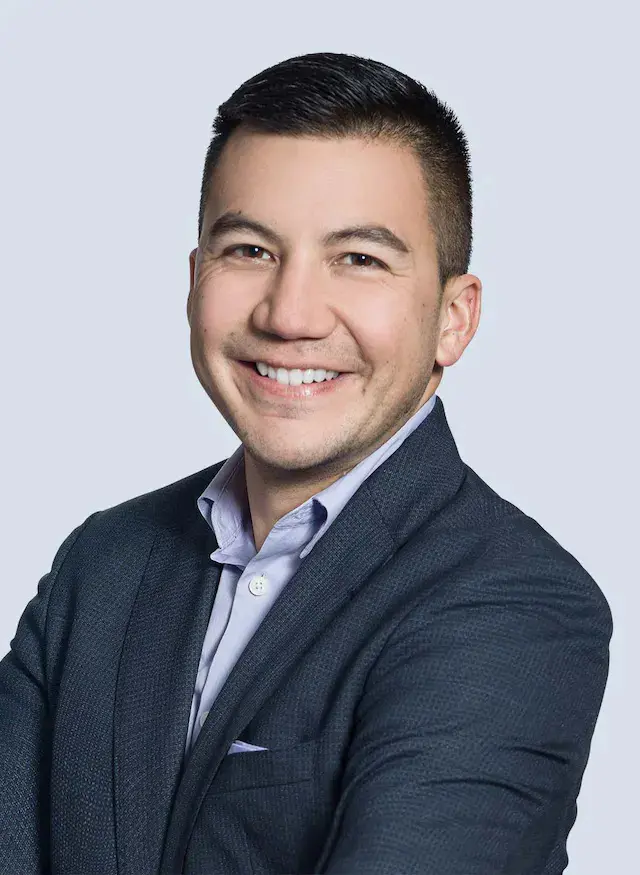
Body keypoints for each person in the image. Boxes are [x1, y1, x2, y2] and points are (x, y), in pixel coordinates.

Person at [0, 52, 612, 875]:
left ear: (453, 318)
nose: (289, 314)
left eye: (359, 258)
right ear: (195, 279)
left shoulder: (516, 606)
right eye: (250, 249)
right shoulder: (103, 564)